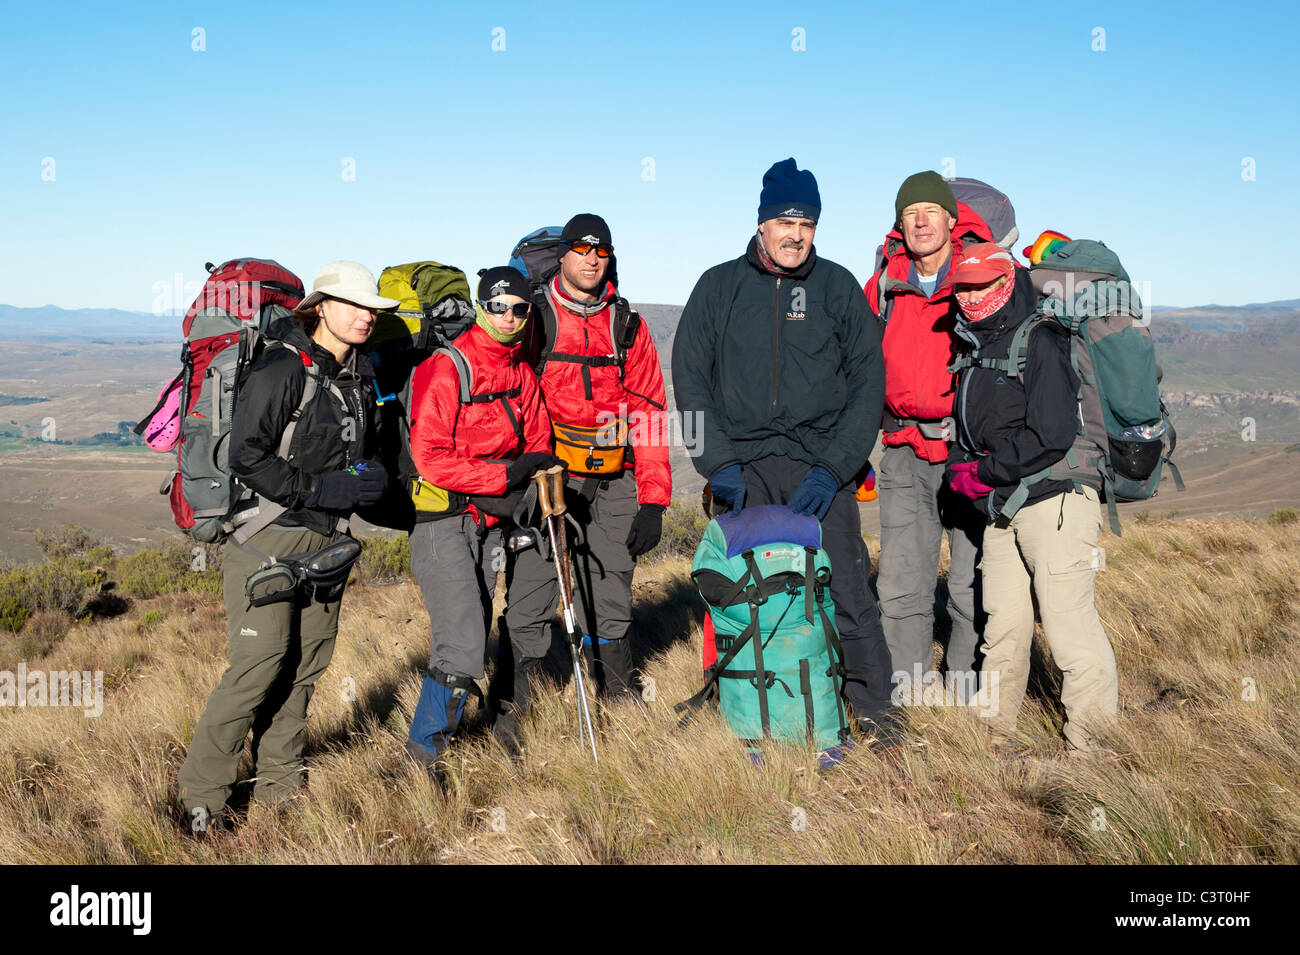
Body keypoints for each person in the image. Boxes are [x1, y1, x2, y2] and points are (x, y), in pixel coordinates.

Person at [672, 158, 899, 749]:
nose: (796, 233)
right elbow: (690, 380)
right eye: (784, 220)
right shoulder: (718, 287)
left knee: (846, 590)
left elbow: (868, 386)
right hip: (739, 472)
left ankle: (878, 720)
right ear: (762, 223)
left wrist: (834, 468)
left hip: (820, 471)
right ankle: (748, 715)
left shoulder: (838, 289)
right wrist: (717, 464)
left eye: (807, 222)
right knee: (740, 594)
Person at [177, 260, 395, 831]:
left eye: (371, 308)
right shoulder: (281, 368)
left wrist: (366, 479)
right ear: (320, 307)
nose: (364, 316)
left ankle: (279, 788)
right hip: (266, 537)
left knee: (306, 666)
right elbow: (247, 455)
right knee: (258, 666)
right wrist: (323, 488)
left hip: (326, 539)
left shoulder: (359, 379)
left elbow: (346, 452)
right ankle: (202, 798)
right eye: (351, 305)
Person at [496, 214, 671, 735]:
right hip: (547, 479)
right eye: (581, 248)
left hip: (614, 479)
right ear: (564, 255)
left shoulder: (627, 324)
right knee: (533, 586)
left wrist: (655, 500)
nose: (591, 258)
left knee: (611, 584)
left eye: (601, 250)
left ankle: (615, 691)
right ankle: (514, 705)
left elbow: (650, 412)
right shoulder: (535, 318)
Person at [944, 243, 1118, 753]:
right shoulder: (975, 344)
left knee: (1069, 628)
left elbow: (1053, 433)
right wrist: (967, 469)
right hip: (1003, 507)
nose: (973, 296)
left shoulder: (1041, 340)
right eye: (964, 288)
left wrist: (982, 474)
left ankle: (1093, 750)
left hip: (1057, 500)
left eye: (983, 285)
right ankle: (994, 740)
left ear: (1007, 282)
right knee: (1003, 628)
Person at [404, 267, 559, 767]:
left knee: (477, 625)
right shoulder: (447, 369)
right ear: (481, 307)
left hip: (490, 524)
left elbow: (537, 439)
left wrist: (524, 477)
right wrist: (503, 479)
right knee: (464, 641)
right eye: (498, 307)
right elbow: (430, 456)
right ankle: (421, 762)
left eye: (519, 309)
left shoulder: (519, 371)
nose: (510, 317)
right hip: (442, 520)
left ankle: (468, 735)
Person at [863, 171, 996, 702]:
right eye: (910, 212)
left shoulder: (978, 274)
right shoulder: (881, 286)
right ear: (900, 223)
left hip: (967, 452)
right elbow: (857, 367)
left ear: (950, 218)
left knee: (968, 584)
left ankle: (966, 690)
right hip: (901, 450)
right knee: (901, 583)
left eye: (930, 211)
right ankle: (908, 692)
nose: (920, 221)